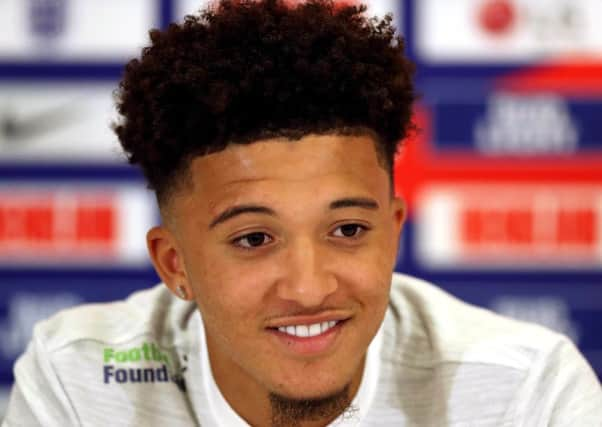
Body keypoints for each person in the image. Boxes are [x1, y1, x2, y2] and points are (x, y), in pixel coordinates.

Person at [4, 1, 601, 426]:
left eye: (347, 230)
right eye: (254, 238)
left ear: (393, 233)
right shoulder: (77, 383)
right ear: (174, 262)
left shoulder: (526, 391)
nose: (310, 287)